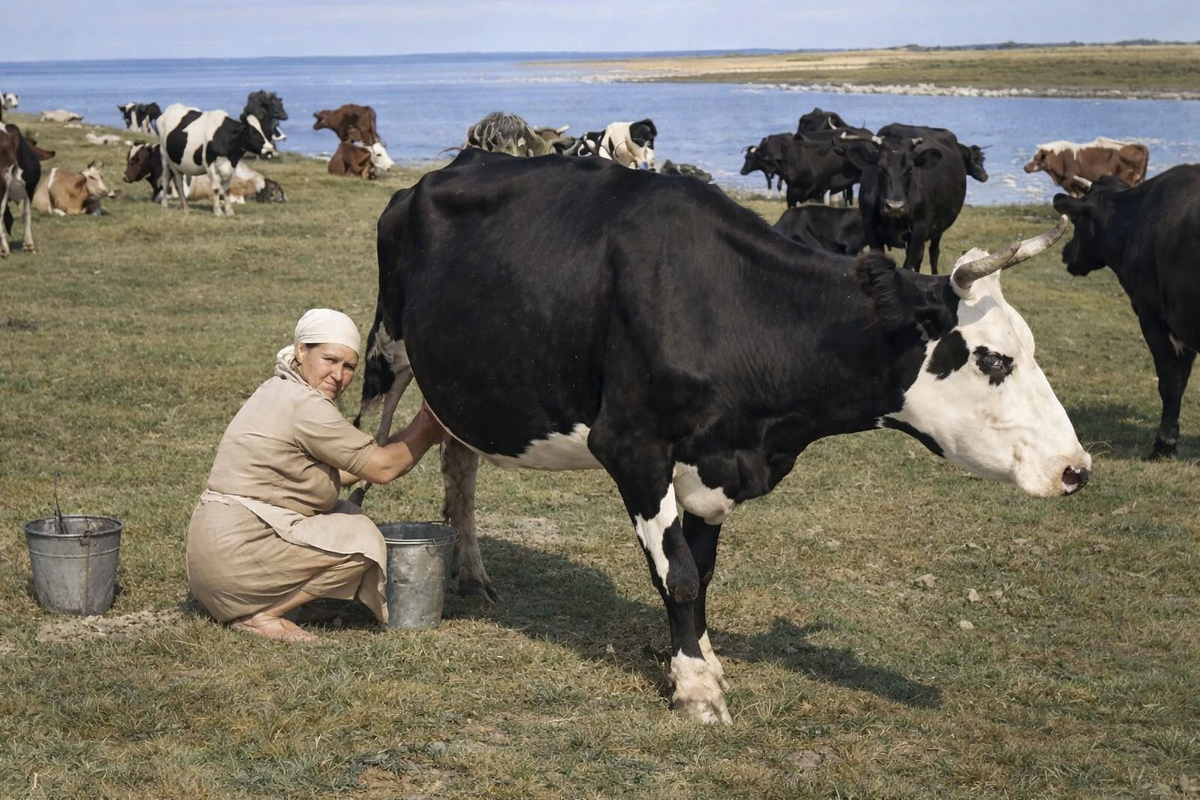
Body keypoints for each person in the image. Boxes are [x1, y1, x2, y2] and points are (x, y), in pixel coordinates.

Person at [186, 308, 447, 642]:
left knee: (342, 513)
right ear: (300, 351)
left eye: (349, 366)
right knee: (362, 540)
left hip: (212, 558)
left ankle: (291, 601)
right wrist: (428, 426)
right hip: (234, 560)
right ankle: (262, 614)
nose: (338, 375)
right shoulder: (307, 406)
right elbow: (382, 468)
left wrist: (403, 439)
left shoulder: (278, 389)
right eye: (329, 359)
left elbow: (351, 467)